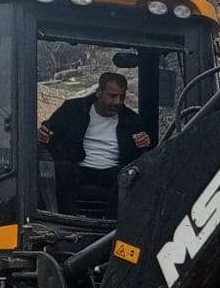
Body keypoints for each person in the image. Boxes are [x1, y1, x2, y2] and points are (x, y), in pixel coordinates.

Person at [38, 66, 152, 216]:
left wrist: (145, 143)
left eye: (122, 97)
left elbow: (142, 154)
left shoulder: (132, 119)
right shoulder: (72, 109)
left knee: (129, 178)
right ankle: (67, 221)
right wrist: (44, 134)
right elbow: (48, 132)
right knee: (63, 170)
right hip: (79, 167)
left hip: (113, 171)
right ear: (98, 93)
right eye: (112, 96)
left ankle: (113, 228)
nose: (118, 101)